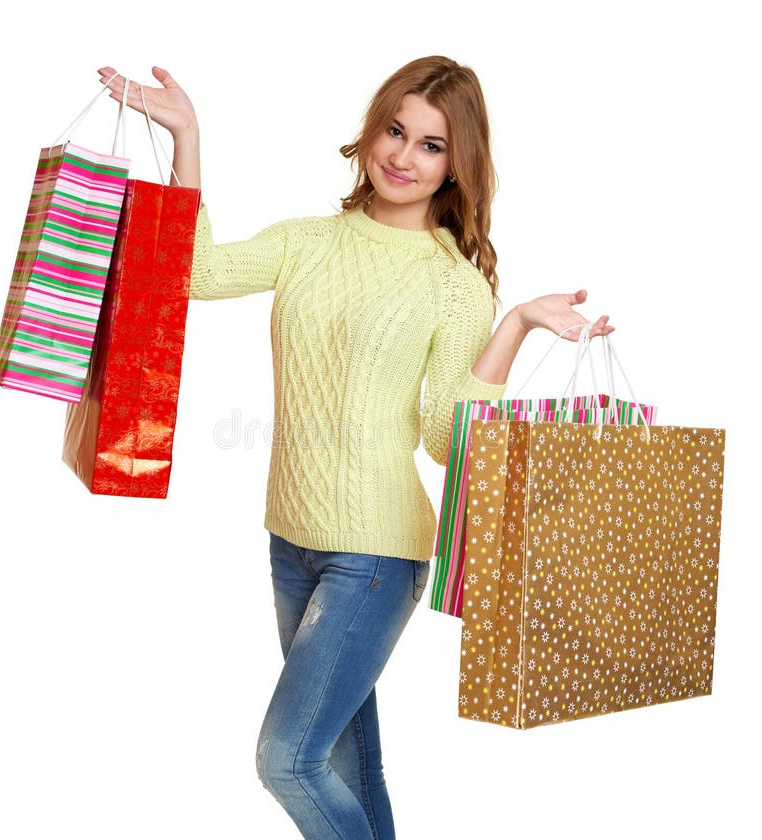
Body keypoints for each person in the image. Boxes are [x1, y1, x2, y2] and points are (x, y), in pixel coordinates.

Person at [97, 57, 613, 839]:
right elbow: (193, 274)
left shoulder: (455, 286)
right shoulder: (307, 241)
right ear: (371, 130)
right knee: (344, 765)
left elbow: (447, 439)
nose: (403, 157)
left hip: (375, 557)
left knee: (286, 760)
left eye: (432, 146)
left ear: (458, 166)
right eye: (396, 130)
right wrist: (187, 136)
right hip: (289, 540)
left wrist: (512, 328)